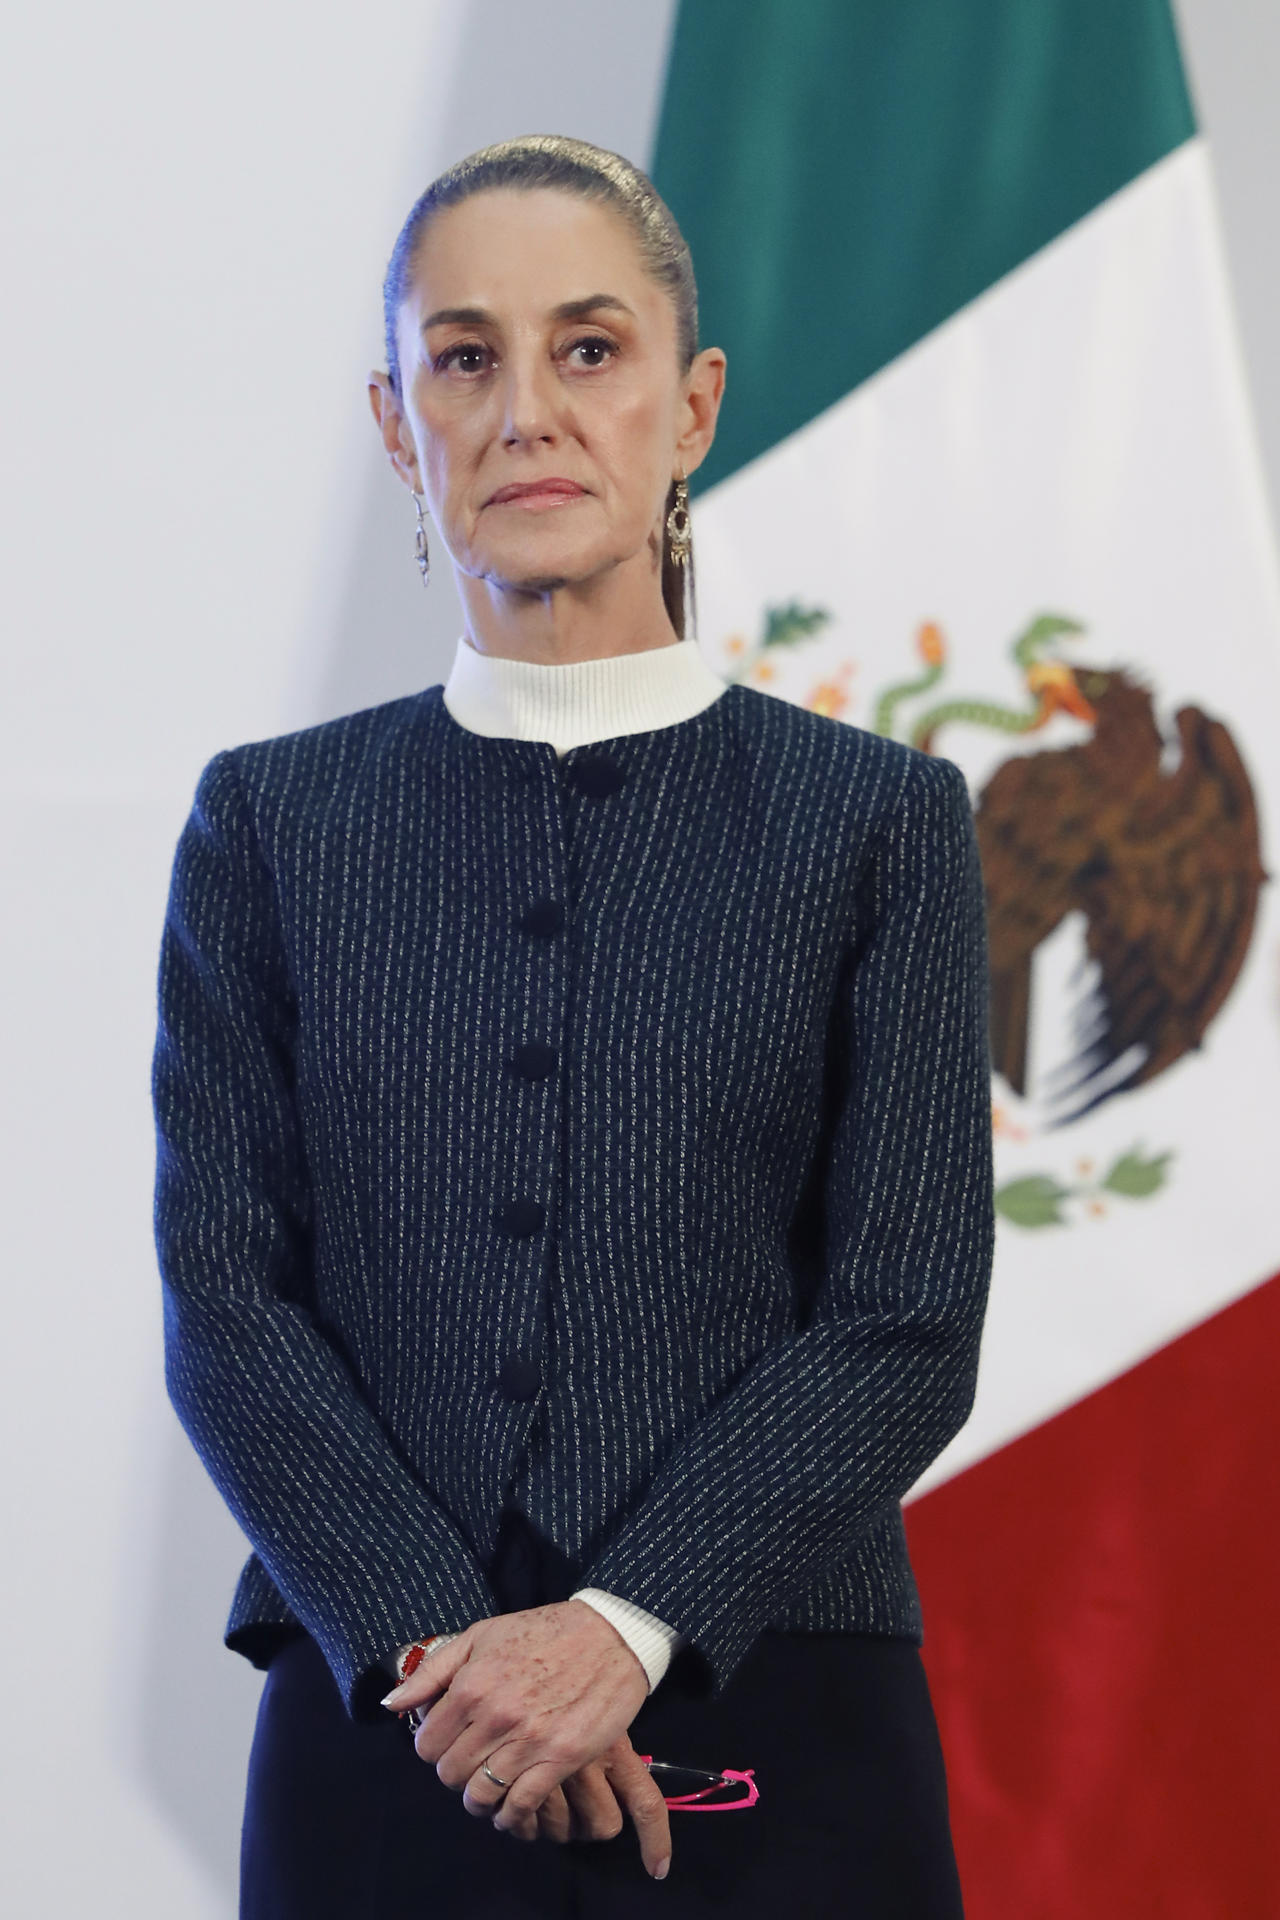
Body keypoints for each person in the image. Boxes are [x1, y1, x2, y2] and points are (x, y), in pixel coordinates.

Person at [151, 133, 995, 1918]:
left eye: (588, 349)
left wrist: (621, 1628)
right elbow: (229, 1304)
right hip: (387, 1708)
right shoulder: (270, 824)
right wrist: (445, 1655)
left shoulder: (879, 822)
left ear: (690, 409)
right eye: (466, 358)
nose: (527, 408)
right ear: (401, 424)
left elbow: (909, 1313)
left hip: (775, 1689)